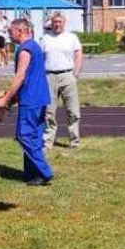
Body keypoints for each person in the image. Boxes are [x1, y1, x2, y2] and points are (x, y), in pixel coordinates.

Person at [0, 18, 53, 185]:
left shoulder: (25, 50)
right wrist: (12, 99)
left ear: (20, 31)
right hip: (39, 98)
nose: (9, 34)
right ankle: (32, 173)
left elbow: (20, 77)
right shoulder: (35, 46)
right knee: (34, 137)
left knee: (24, 135)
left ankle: (44, 172)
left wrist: (5, 99)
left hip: (31, 99)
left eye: (10, 31)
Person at [41, 12, 83, 149]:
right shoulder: (45, 38)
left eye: (60, 22)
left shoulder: (71, 37)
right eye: (55, 22)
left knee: (73, 110)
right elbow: (40, 58)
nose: (57, 24)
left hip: (67, 75)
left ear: (64, 23)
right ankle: (48, 141)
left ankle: (74, 141)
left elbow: (78, 54)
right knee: (49, 111)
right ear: (51, 23)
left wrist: (76, 73)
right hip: (49, 76)